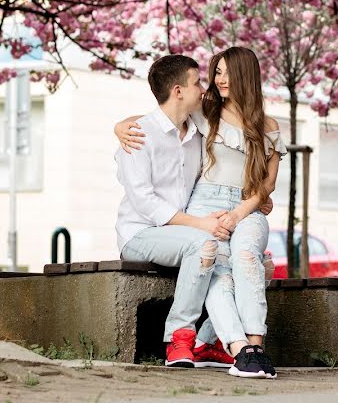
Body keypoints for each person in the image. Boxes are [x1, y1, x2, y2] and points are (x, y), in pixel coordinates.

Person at [115, 46, 285, 379]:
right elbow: (162, 113)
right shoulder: (205, 112)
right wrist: (119, 125)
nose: (216, 81)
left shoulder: (269, 125)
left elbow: (267, 185)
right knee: (217, 264)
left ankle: (252, 346)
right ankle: (239, 350)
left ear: (245, 75)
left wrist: (241, 211)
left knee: (251, 260)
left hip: (245, 206)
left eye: (225, 73)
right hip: (203, 204)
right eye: (214, 73)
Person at [114, 54, 235, 369]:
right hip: (141, 233)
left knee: (251, 257)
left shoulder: (197, 130)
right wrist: (201, 225)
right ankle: (179, 340)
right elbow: (145, 202)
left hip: (184, 232)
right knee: (205, 244)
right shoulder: (139, 134)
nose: (204, 90)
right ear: (178, 90)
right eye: (197, 83)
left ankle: (209, 341)